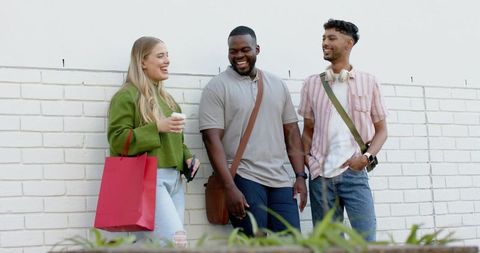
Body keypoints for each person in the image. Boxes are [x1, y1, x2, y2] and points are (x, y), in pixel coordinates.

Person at [199, 26, 307, 236]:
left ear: (257, 49)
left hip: (280, 180)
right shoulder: (217, 87)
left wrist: (300, 176)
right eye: (233, 51)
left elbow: (292, 133)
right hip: (243, 178)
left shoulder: (277, 84)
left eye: (245, 49)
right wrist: (229, 187)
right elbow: (211, 140)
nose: (239, 55)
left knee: (291, 242)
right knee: (254, 243)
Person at [298, 19, 388, 241]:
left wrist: (366, 157)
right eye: (323, 38)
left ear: (349, 43)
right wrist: (309, 162)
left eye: (331, 38)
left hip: (355, 173)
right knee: (329, 245)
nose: (324, 43)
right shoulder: (311, 84)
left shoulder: (369, 82)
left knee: (366, 241)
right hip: (321, 178)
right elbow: (307, 130)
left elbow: (382, 130)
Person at [107, 36, 200, 247]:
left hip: (174, 181)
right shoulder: (127, 96)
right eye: (160, 56)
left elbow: (177, 141)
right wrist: (156, 127)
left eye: (167, 55)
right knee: (176, 243)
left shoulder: (169, 100)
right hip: (149, 179)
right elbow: (117, 139)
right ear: (142, 62)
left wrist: (187, 158)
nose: (167, 60)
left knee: (148, 246)